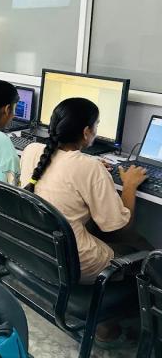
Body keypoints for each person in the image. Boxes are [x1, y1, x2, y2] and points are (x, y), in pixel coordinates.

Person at [20, 98, 150, 283]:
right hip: (75, 262)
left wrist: (90, 166)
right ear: (86, 132)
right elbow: (120, 226)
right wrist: (129, 185)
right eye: (96, 125)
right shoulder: (88, 168)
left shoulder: (31, 150)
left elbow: (65, 168)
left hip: (39, 248)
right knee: (140, 247)